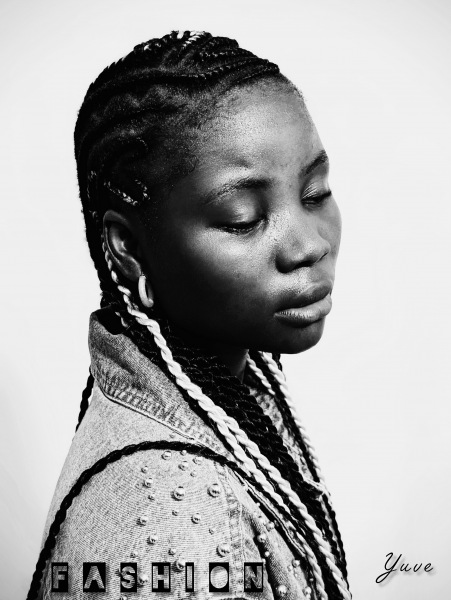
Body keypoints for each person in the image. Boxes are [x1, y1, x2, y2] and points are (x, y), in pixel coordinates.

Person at [30, 30, 351, 600]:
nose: (308, 245)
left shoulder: (224, 394)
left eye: (315, 192)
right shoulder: (178, 525)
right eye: (242, 217)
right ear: (129, 249)